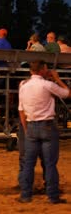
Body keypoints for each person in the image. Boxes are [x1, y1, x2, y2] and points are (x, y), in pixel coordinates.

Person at [17, 60, 70, 204]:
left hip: (31, 125)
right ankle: (52, 196)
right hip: (47, 125)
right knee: (50, 163)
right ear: (42, 70)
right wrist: (57, 78)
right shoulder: (48, 85)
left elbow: (21, 110)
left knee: (29, 163)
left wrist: (27, 129)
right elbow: (67, 93)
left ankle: (26, 195)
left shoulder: (23, 86)